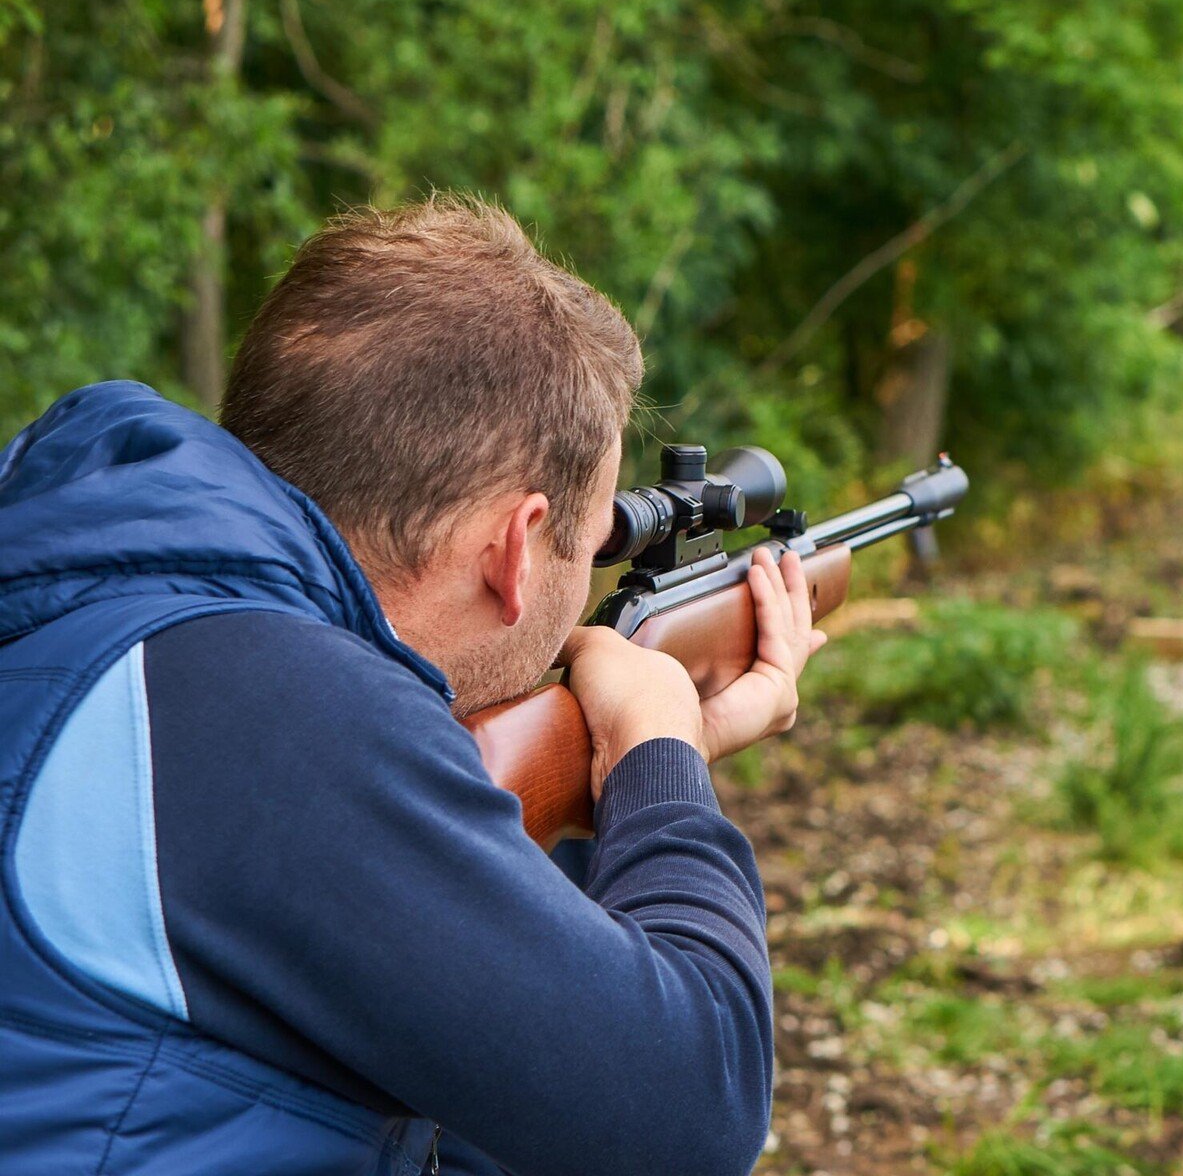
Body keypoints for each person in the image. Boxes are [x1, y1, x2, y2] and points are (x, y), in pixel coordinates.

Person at [0, 197, 821, 1175]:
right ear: (516, 549)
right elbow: (694, 1112)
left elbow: (480, 1063)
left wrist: (622, 774)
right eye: (589, 538)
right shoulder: (282, 710)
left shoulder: (107, 616)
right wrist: (663, 760)